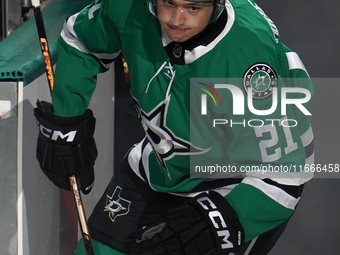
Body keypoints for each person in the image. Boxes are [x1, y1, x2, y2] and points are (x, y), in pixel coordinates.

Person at [33, 0, 315, 254]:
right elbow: (82, 41)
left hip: (237, 184)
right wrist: (66, 120)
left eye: (194, 8)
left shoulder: (249, 58)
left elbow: (286, 176)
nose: (177, 19)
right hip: (160, 166)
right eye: (169, 2)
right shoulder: (128, 5)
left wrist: (219, 222)